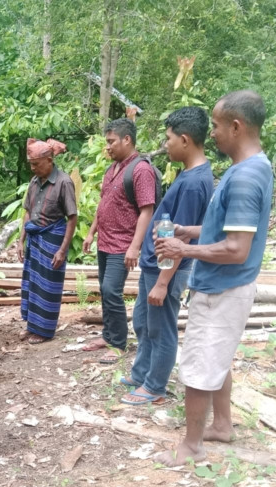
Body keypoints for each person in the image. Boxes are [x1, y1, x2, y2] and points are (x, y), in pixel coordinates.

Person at [153, 90, 273, 466]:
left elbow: (236, 248)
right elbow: (230, 230)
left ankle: (191, 446)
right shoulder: (254, 168)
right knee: (217, 359)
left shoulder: (243, 178)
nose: (214, 134)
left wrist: (182, 251)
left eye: (218, 126)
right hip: (229, 285)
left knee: (200, 365)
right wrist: (192, 231)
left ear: (236, 127)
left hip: (223, 287)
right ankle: (221, 425)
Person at [121, 107, 214, 406]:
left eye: (169, 138)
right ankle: (142, 373)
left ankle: (155, 386)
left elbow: (180, 239)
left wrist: (163, 282)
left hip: (166, 268)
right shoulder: (190, 175)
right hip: (155, 264)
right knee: (144, 322)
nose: (166, 144)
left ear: (185, 140)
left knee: (161, 328)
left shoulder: (191, 183)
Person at [82, 118, 156, 363]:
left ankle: (119, 343)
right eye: (107, 142)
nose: (108, 147)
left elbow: (147, 210)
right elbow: (103, 204)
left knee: (111, 290)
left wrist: (135, 247)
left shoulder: (140, 169)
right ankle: (108, 334)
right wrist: (91, 232)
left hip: (122, 243)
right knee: (106, 291)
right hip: (105, 242)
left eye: (112, 141)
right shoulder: (111, 169)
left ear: (127, 139)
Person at [16, 137, 78, 344]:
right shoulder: (34, 182)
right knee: (32, 284)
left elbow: (72, 218)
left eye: (36, 164)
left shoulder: (64, 182)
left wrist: (62, 250)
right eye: (31, 164)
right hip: (34, 239)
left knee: (48, 286)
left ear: (50, 160)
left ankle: (44, 331)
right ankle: (32, 326)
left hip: (52, 239)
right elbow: (28, 212)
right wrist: (21, 239)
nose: (33, 168)